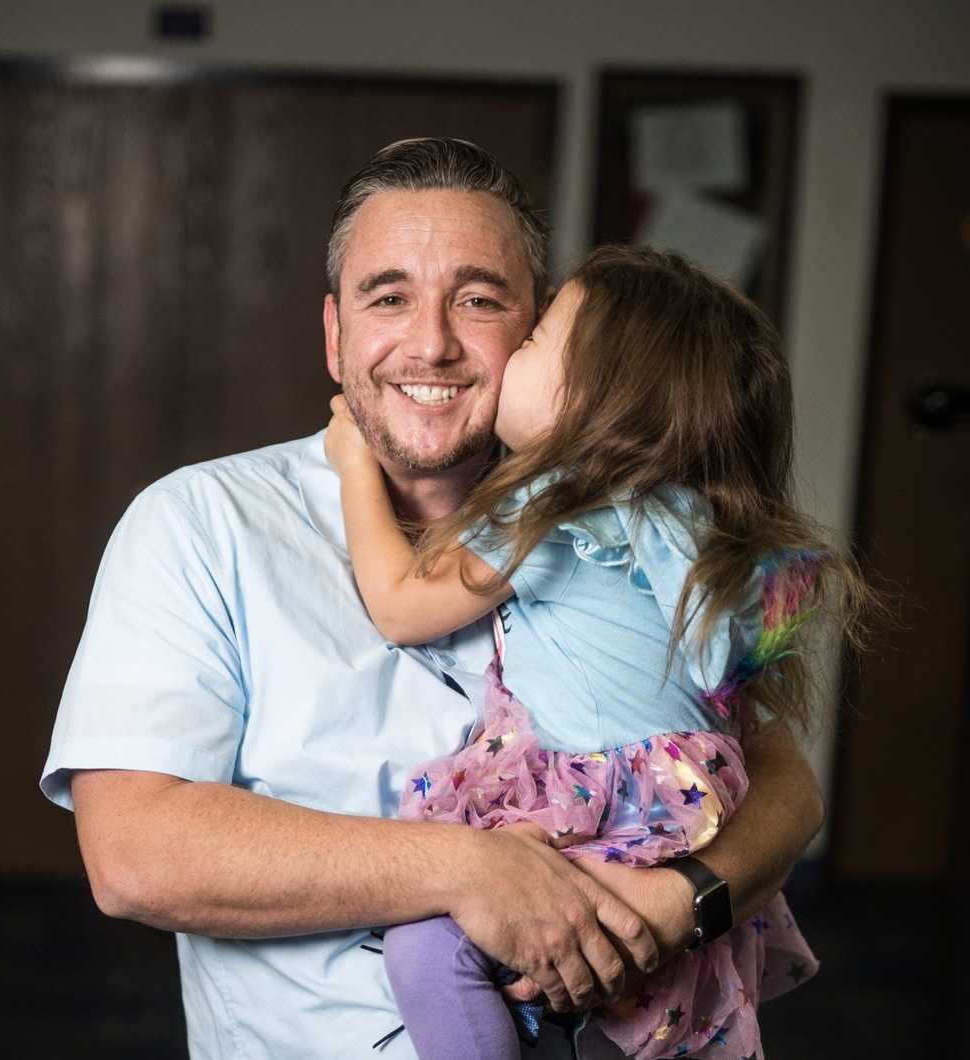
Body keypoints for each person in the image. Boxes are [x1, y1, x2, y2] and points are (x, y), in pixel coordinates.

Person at [41, 139, 825, 1060]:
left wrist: (681, 900)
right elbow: (135, 854)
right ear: (336, 336)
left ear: (538, 334)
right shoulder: (197, 523)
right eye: (389, 297)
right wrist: (465, 871)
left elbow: (782, 780)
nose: (433, 343)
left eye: (481, 300)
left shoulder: (613, 510)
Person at [324, 243, 867, 1059]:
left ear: (595, 400)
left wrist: (352, 463)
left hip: (603, 797)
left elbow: (402, 606)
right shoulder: (680, 515)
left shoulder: (558, 504)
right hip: (685, 801)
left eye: (535, 338)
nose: (513, 356)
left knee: (429, 951)